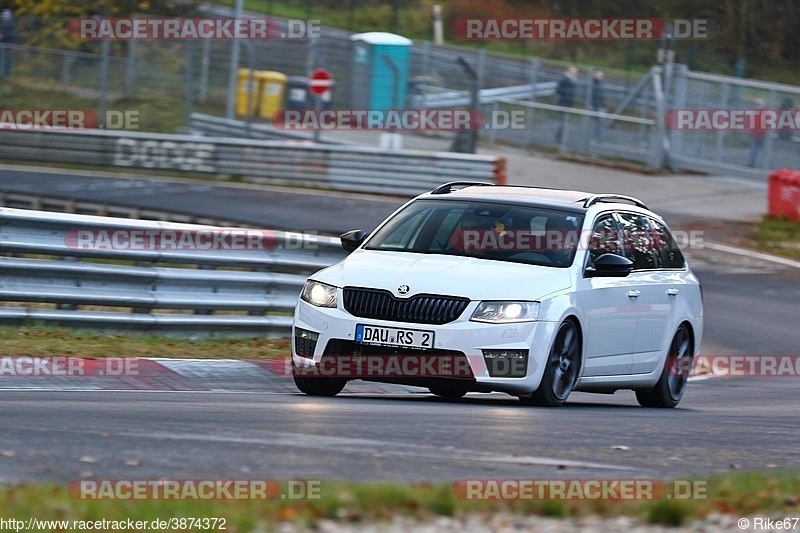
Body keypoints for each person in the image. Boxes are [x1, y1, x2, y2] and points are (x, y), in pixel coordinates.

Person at [554, 66, 577, 144]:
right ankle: (559, 138)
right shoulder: (564, 79)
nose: (575, 72)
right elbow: (559, 89)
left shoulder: (573, 80)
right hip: (564, 103)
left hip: (569, 103)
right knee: (563, 121)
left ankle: (560, 137)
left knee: (564, 121)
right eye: (573, 71)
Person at [747, 99, 767, 168]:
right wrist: (751, 131)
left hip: (762, 136)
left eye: (758, 105)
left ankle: (767, 165)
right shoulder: (754, 113)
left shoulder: (765, 114)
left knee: (765, 151)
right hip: (755, 135)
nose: (757, 106)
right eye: (756, 105)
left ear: (762, 106)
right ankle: (751, 163)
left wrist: (762, 132)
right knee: (753, 150)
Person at [0, 9, 16, 76]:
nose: (3, 17)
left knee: (6, 59)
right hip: (3, 44)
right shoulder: (3, 23)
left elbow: (12, 35)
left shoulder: (10, 24)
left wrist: (3, 36)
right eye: (3, 15)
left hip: (7, 44)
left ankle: (5, 73)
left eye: (5, 15)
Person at [591, 70, 606, 139]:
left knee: (600, 121)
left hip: (600, 105)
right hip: (595, 105)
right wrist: (591, 104)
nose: (600, 77)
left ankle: (597, 136)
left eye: (601, 76)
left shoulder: (600, 84)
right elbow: (591, 95)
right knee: (599, 121)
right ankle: (596, 136)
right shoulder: (593, 84)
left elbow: (602, 97)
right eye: (598, 75)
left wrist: (604, 106)